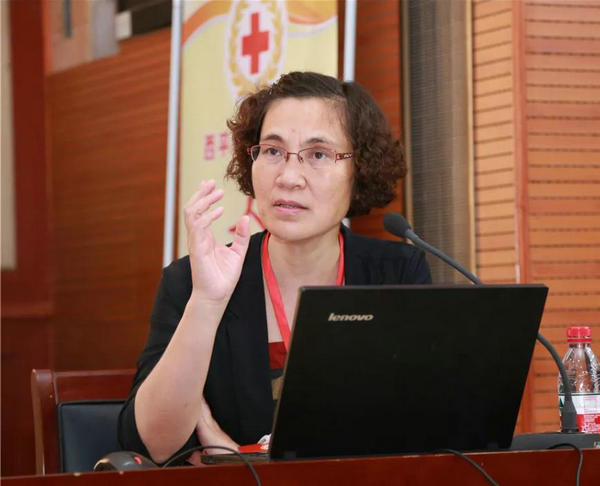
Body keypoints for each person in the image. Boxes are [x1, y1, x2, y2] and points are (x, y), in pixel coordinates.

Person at [118, 71, 431, 464]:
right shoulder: (191, 280)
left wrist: (241, 460)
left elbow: (420, 433)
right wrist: (207, 303)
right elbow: (152, 446)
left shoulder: (396, 275)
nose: (289, 177)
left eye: (318, 155)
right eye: (272, 151)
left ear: (361, 170)